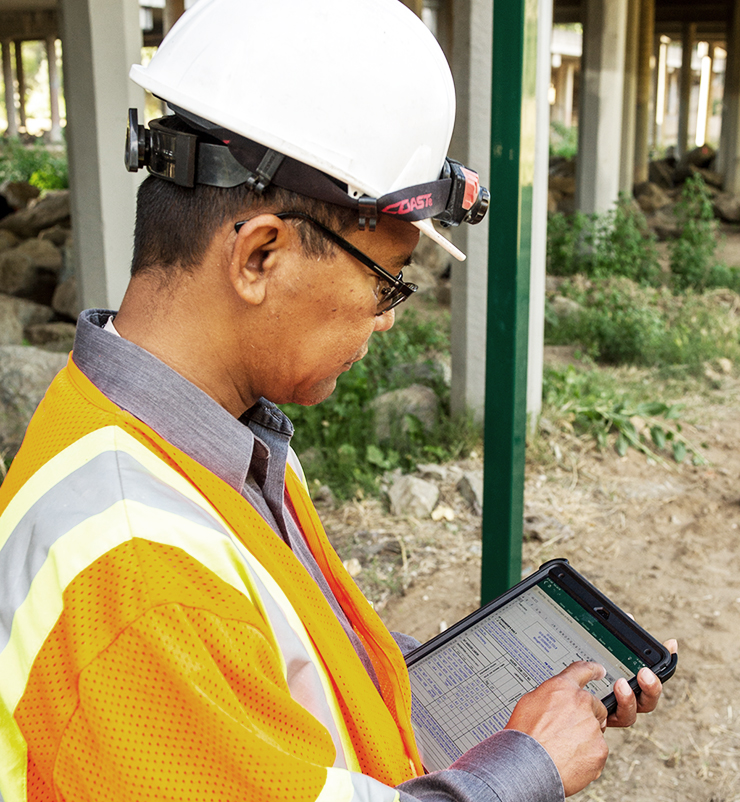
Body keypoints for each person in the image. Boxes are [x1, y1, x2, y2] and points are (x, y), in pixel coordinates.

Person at [0, 1, 673, 800]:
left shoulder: (201, 445)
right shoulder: (141, 579)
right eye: (385, 280)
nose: (386, 319)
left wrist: (497, 712)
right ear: (260, 255)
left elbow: (285, 693)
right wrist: (527, 768)